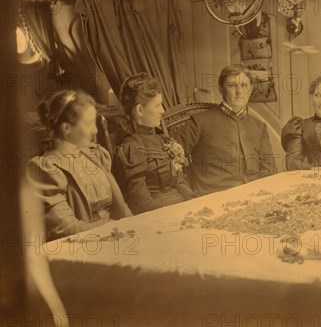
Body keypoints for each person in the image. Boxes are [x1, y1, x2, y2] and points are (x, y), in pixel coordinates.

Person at [26, 90, 131, 241]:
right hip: (80, 247)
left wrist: (133, 226)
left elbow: (122, 207)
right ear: (66, 128)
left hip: (114, 235)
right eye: (89, 123)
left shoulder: (96, 155)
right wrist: (113, 227)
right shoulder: (46, 168)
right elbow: (65, 228)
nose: (95, 130)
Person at [173, 64, 276, 195]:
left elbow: (269, 168)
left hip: (254, 196)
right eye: (232, 86)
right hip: (214, 198)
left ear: (250, 90)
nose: (239, 92)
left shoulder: (259, 126)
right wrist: (188, 194)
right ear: (221, 90)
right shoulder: (199, 122)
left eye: (244, 86)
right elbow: (168, 160)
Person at [113, 73, 198, 214]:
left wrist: (195, 202)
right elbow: (142, 204)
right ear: (140, 110)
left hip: (181, 209)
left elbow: (180, 183)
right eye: (157, 106)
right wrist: (178, 211)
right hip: (160, 216)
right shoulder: (131, 148)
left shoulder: (162, 140)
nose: (163, 111)